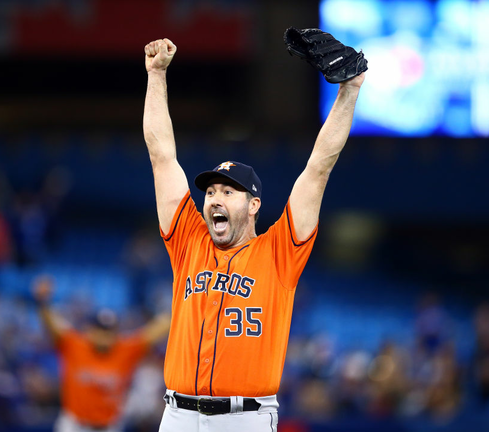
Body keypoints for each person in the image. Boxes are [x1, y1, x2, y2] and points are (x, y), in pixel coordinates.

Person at [142, 37, 366, 431]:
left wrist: (350, 90)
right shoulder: (188, 241)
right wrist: (156, 75)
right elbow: (162, 155)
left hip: (244, 418)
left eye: (228, 192)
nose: (214, 198)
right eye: (210, 191)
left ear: (254, 205)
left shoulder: (280, 251)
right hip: (176, 415)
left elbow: (318, 168)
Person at [32, 275, 171, 432]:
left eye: (109, 332)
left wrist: (180, 305)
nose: (104, 337)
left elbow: (156, 330)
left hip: (108, 426)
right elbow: (52, 326)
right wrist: (43, 302)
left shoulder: (125, 349)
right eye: (100, 331)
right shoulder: (74, 344)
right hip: (74, 425)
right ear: (90, 331)